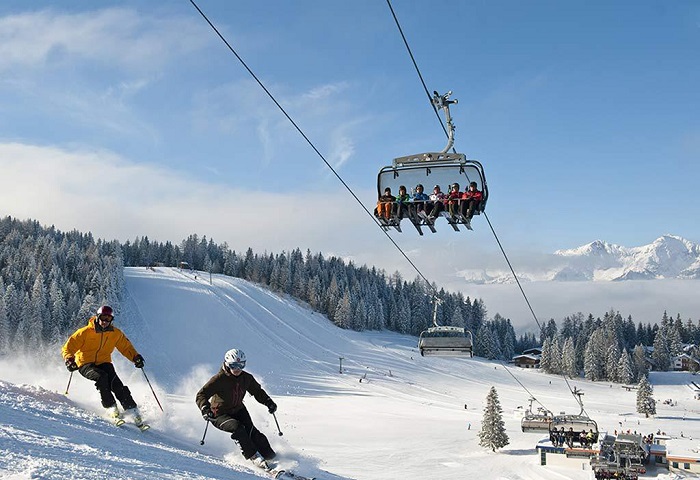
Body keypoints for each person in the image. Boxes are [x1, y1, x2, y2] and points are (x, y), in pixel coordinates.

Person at [61, 305, 146, 426]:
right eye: (103, 318)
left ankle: (132, 409)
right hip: (85, 363)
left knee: (116, 383)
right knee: (101, 377)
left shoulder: (115, 333)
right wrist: (69, 360)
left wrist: (135, 357)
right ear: (97, 317)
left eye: (108, 319)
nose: (105, 321)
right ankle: (111, 407)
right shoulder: (84, 332)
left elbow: (125, 347)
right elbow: (68, 347)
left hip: (104, 362)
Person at [196, 349, 278, 469]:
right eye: (234, 365)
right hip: (219, 414)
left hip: (238, 410)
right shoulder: (219, 379)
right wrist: (205, 409)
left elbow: (257, 391)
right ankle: (253, 456)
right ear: (227, 364)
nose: (237, 369)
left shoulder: (246, 378)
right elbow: (201, 395)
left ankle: (270, 456)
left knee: (252, 432)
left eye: (241, 365)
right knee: (238, 428)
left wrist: (269, 402)